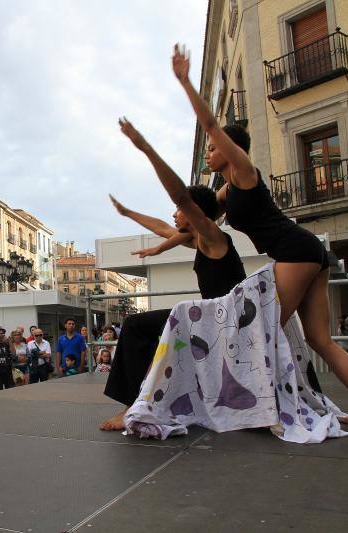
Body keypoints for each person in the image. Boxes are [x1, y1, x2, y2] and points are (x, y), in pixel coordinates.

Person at [169, 44, 348, 428]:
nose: (208, 154)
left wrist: (185, 83)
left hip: (294, 251)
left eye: (213, 149)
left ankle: (271, 411)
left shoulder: (246, 172)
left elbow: (213, 126)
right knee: (319, 339)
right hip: (306, 252)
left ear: (229, 150)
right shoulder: (226, 190)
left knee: (260, 331)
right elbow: (201, 218)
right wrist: (164, 236)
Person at [101, 121, 249, 430]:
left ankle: (133, 406)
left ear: (194, 211)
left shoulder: (213, 236)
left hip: (220, 323)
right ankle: (144, 399)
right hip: (208, 319)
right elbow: (162, 227)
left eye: (179, 209)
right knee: (141, 329)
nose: (174, 215)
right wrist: (128, 213)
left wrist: (145, 148)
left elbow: (183, 200)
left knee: (135, 325)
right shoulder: (199, 239)